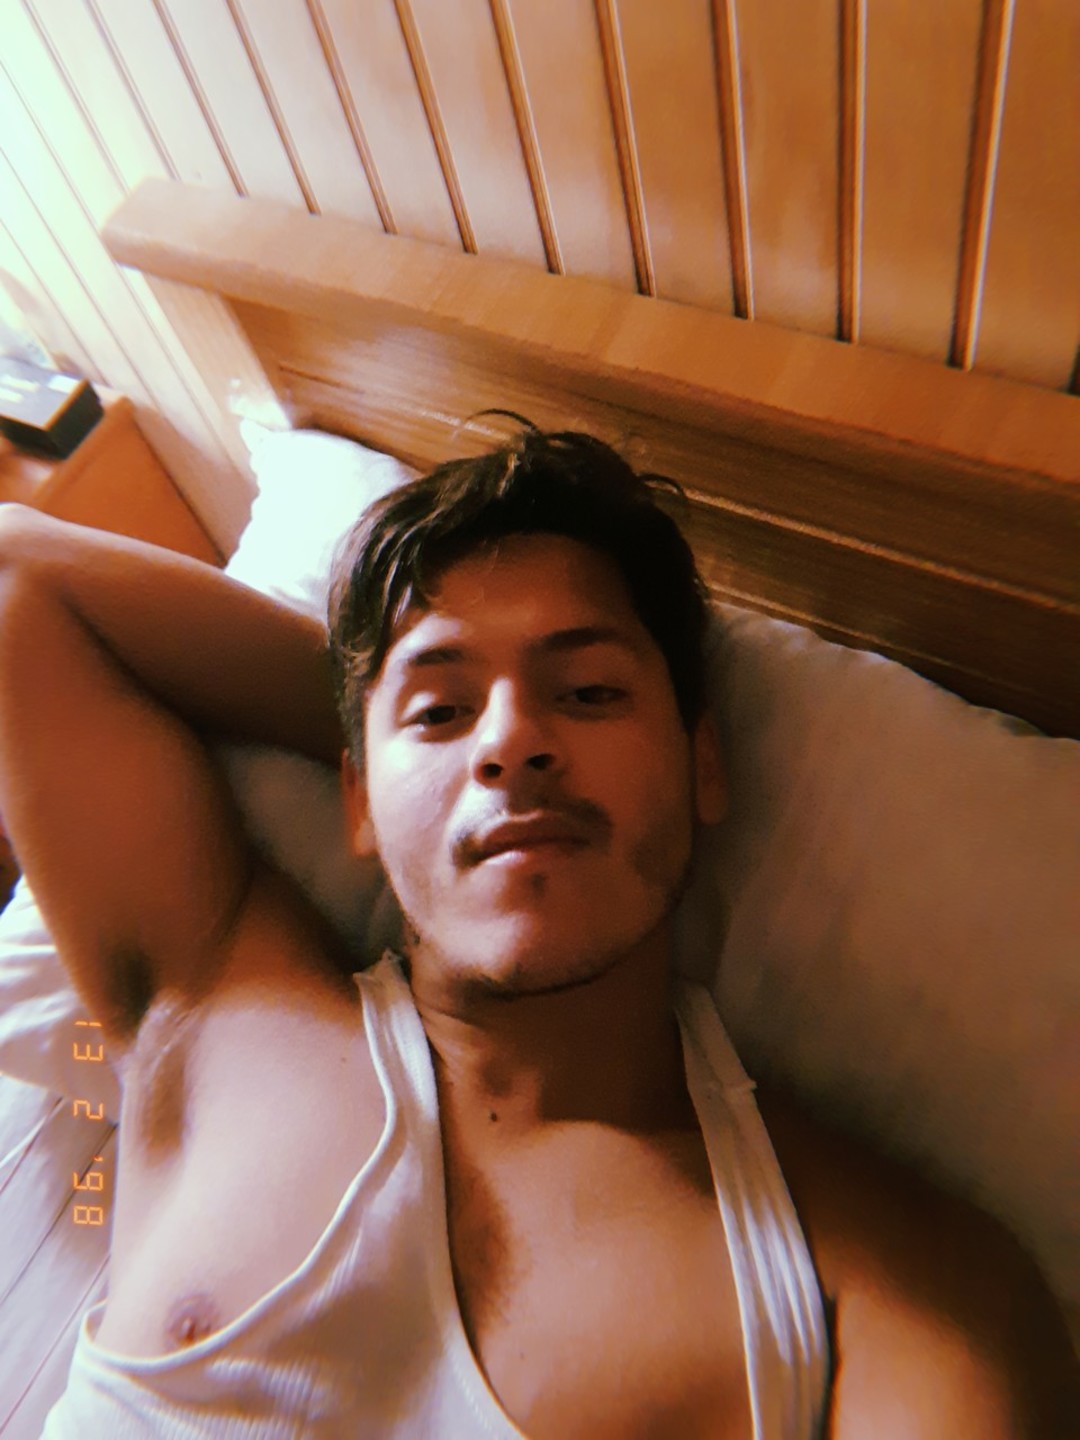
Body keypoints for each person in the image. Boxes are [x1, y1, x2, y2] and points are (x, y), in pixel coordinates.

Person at [0, 427, 1075, 1439]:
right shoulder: (216, 1006)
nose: (512, 739)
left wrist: (421, 754)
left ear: (703, 764)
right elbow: (17, 574)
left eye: (590, 691)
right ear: (355, 796)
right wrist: (398, 770)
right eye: (443, 709)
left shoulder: (893, 1289)